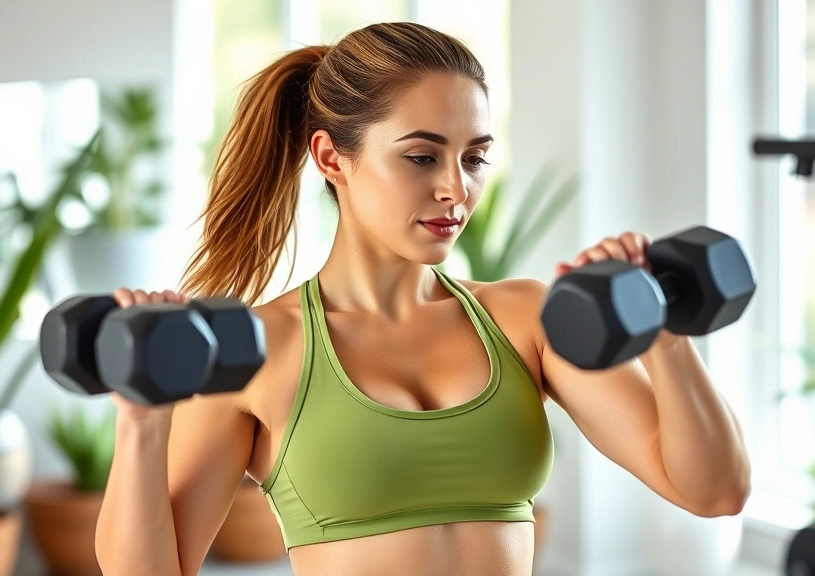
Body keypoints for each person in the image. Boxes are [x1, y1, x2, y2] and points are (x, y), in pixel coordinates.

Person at [94, 21, 750, 576]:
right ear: (330, 158)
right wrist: (142, 421)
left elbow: (714, 490)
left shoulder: (525, 318)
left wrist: (664, 334)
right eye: (420, 157)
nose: (455, 191)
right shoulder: (259, 350)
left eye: (474, 158)